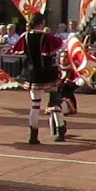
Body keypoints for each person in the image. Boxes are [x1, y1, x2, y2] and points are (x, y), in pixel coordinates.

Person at [9, 14, 66, 144]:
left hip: (32, 73)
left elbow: (17, 49)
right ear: (42, 23)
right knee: (55, 101)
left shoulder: (25, 36)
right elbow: (59, 45)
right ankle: (60, 131)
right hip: (48, 73)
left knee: (35, 104)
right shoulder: (46, 37)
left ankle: (33, 135)